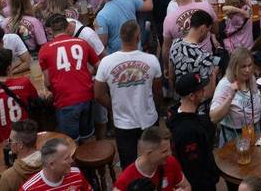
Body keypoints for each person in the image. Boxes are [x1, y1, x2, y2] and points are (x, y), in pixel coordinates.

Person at [95, 20, 162, 171]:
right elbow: (157, 91)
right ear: (138, 37)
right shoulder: (151, 60)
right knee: (153, 160)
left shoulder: (107, 62)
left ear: (120, 37)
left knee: (129, 167)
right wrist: (156, 108)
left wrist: (113, 107)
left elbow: (98, 94)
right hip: (148, 118)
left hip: (123, 123)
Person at [22, 134, 90, 191]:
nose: (71, 161)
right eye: (66, 158)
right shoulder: (29, 189)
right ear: (52, 164)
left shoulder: (76, 174)